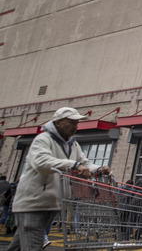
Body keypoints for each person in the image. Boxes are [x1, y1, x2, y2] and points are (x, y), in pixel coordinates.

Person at [7, 107, 110, 250]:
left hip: (53, 203)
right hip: (33, 203)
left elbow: (85, 163)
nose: (75, 126)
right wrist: (73, 165)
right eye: (71, 122)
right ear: (59, 122)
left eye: (77, 123)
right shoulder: (43, 140)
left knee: (19, 245)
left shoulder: (72, 144)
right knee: (33, 246)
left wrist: (98, 169)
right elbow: (41, 163)